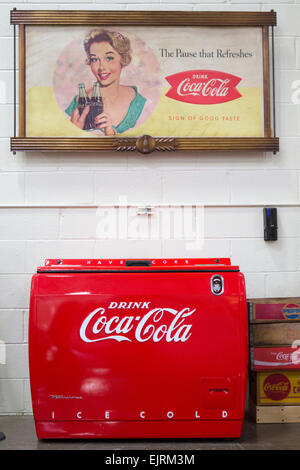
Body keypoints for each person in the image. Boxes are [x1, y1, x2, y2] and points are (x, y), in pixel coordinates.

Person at [65, 29, 146, 135]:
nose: (101, 67)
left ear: (123, 59)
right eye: (94, 59)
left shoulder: (139, 101)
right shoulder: (79, 102)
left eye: (109, 58)